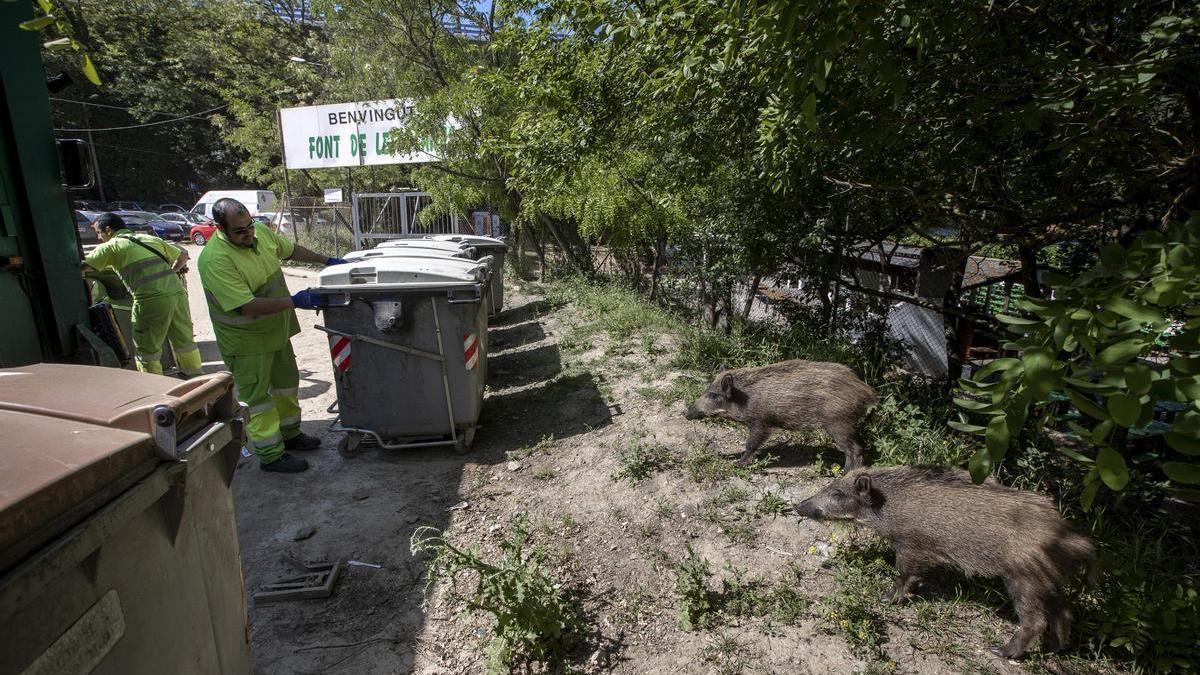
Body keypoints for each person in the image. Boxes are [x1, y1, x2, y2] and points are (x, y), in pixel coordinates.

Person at [197, 198, 347, 474]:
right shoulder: (215, 259)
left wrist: (328, 261)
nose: (248, 233)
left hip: (276, 332)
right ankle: (270, 454)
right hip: (246, 342)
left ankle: (291, 434)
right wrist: (296, 301)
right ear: (220, 228)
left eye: (249, 226)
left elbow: (290, 250)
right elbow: (245, 306)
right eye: (239, 231)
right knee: (258, 399)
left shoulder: (260, 233)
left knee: (286, 386)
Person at [82, 213, 202, 377]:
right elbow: (182, 255)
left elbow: (83, 267)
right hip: (177, 293)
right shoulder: (150, 239)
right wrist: (173, 270)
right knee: (185, 341)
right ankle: (196, 377)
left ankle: (155, 388)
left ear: (108, 230)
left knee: (147, 349)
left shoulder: (111, 246)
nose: (99, 237)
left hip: (150, 300)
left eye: (99, 232)